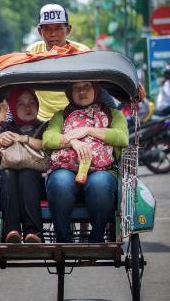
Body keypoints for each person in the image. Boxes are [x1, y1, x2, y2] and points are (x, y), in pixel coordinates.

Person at [43, 81, 129, 243]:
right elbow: (48, 139)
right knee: (60, 181)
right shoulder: (61, 115)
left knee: (100, 183)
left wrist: (88, 130)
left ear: (96, 89)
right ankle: (64, 240)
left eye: (87, 86)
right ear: (69, 92)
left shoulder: (113, 115)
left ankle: (96, 238)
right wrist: (73, 142)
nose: (82, 91)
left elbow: (122, 137)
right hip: (66, 169)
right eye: (76, 88)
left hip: (102, 170)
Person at [0, 87, 46, 244]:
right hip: (11, 180)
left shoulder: (46, 127)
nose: (28, 107)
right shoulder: (7, 127)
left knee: (27, 174)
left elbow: (49, 145)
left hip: (39, 181)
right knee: (7, 173)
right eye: (21, 104)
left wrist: (24, 139)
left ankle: (33, 232)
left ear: (38, 105)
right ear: (13, 107)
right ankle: (12, 230)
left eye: (32, 103)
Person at [27, 4, 92, 121]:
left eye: (57, 28)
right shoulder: (33, 51)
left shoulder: (82, 52)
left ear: (68, 30)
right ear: (39, 31)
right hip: (39, 119)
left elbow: (96, 88)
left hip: (77, 117)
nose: (52, 34)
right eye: (47, 29)